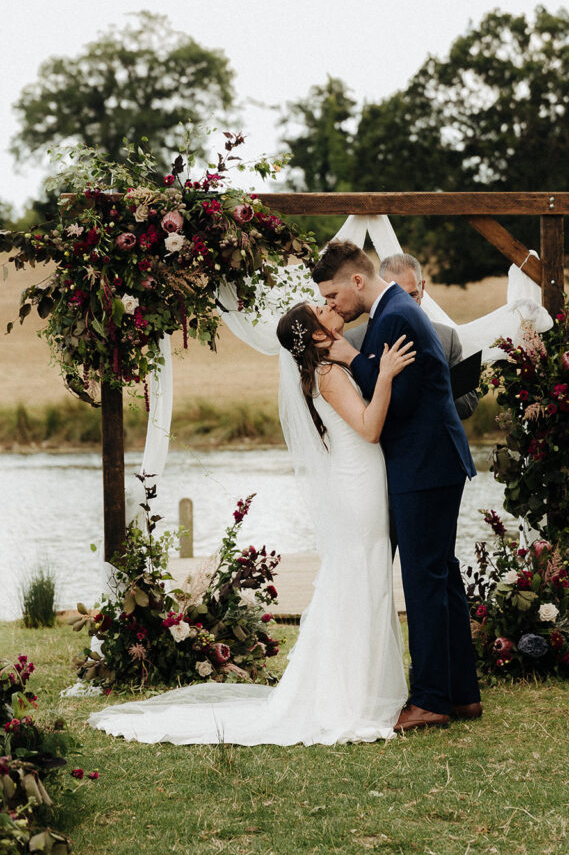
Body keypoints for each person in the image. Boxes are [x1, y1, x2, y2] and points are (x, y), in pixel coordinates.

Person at [88, 301, 414, 747]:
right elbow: (370, 428)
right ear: (317, 335)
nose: (329, 306)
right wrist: (388, 375)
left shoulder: (325, 367)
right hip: (358, 485)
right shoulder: (329, 374)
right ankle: (351, 697)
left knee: (361, 578)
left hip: (357, 481)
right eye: (321, 309)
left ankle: (357, 688)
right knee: (362, 579)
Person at [313, 240, 482, 731]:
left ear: (357, 281)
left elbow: (399, 399)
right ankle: (462, 692)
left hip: (423, 464)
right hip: (431, 461)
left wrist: (350, 357)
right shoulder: (396, 310)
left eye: (333, 293)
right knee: (442, 577)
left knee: (424, 583)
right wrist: (355, 356)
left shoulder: (394, 317)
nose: (333, 304)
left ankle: (430, 700)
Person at [345, 252, 479, 421]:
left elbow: (468, 405)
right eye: (395, 296)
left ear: (422, 288)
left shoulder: (447, 338)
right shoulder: (354, 341)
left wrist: (437, 383)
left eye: (411, 295)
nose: (403, 305)